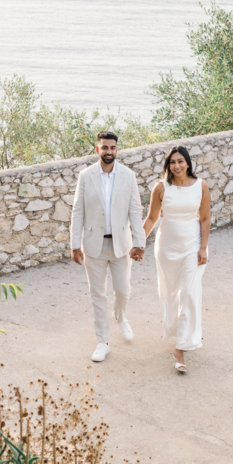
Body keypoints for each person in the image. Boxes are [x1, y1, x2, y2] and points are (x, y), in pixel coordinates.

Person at [69, 131, 145, 363]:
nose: (108, 151)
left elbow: (135, 210)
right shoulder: (86, 176)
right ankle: (103, 341)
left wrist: (140, 242)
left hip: (122, 244)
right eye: (104, 147)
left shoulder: (128, 176)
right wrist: (74, 244)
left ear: (117, 150)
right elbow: (78, 211)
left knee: (123, 290)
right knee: (97, 294)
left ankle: (120, 317)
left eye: (112, 148)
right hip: (94, 245)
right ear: (97, 149)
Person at [142, 144, 210, 373]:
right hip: (167, 247)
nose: (177, 166)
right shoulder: (161, 188)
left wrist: (203, 248)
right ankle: (179, 333)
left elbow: (205, 218)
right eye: (172, 162)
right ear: (167, 165)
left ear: (188, 163)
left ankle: (180, 348)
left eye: (180, 161)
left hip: (192, 246)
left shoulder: (201, 186)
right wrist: (137, 243)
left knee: (189, 293)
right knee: (170, 293)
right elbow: (152, 219)